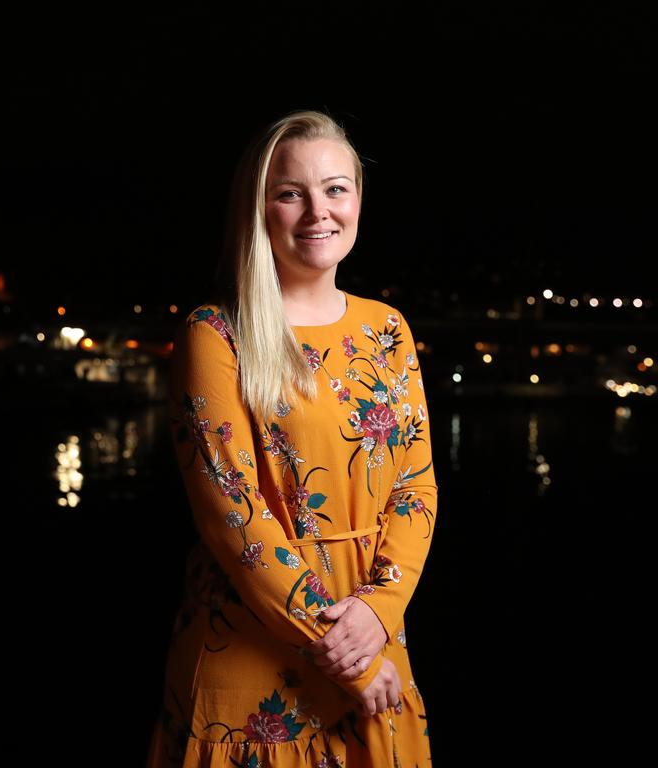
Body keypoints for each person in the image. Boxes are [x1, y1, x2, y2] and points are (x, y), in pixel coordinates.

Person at [145, 110, 437, 767]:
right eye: (290, 193)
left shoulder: (386, 328)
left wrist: (378, 614)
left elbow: (416, 488)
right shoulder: (215, 333)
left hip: (373, 635)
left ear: (358, 198)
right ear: (259, 207)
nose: (318, 212)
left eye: (335, 188)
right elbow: (235, 519)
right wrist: (346, 656)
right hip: (254, 658)